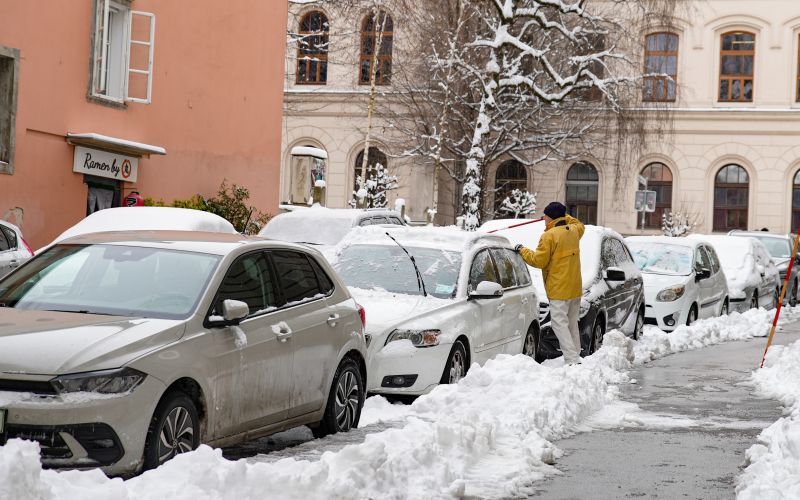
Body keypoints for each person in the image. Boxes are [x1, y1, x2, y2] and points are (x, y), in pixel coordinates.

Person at [514, 202, 585, 365]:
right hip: (575, 288)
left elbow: (538, 261)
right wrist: (563, 216)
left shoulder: (549, 236)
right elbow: (578, 224)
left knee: (559, 324)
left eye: (545, 215)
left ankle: (572, 359)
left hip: (559, 289)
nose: (543, 218)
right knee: (572, 324)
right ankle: (576, 356)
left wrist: (522, 250)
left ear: (551, 217)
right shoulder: (574, 231)